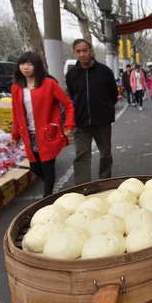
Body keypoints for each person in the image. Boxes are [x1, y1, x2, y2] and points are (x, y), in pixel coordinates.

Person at [11, 52, 75, 197]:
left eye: (29, 64)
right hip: (29, 135)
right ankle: (48, 184)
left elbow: (68, 104)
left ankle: (47, 198)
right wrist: (15, 134)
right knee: (35, 167)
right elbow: (16, 113)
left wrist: (69, 125)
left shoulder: (49, 84)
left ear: (37, 66)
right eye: (22, 64)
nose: (25, 67)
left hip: (47, 134)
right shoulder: (16, 88)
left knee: (47, 166)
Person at [65, 39, 118, 185]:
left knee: (105, 153)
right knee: (81, 155)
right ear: (74, 53)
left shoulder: (104, 71)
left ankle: (106, 181)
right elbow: (70, 96)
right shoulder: (71, 74)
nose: (82, 54)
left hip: (102, 122)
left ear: (90, 51)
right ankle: (83, 187)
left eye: (84, 50)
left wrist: (105, 110)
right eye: (78, 51)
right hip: (81, 122)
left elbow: (113, 94)